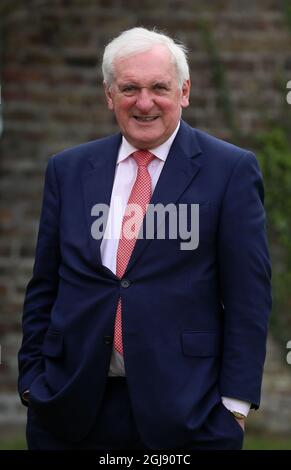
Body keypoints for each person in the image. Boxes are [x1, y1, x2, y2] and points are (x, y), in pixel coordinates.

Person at [18, 27, 272, 450]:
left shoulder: (230, 171)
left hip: (188, 411)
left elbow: (249, 297)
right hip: (70, 408)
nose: (144, 102)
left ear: (184, 91)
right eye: (130, 88)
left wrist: (235, 405)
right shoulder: (68, 170)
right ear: (109, 95)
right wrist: (32, 382)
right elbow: (45, 285)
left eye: (159, 87)